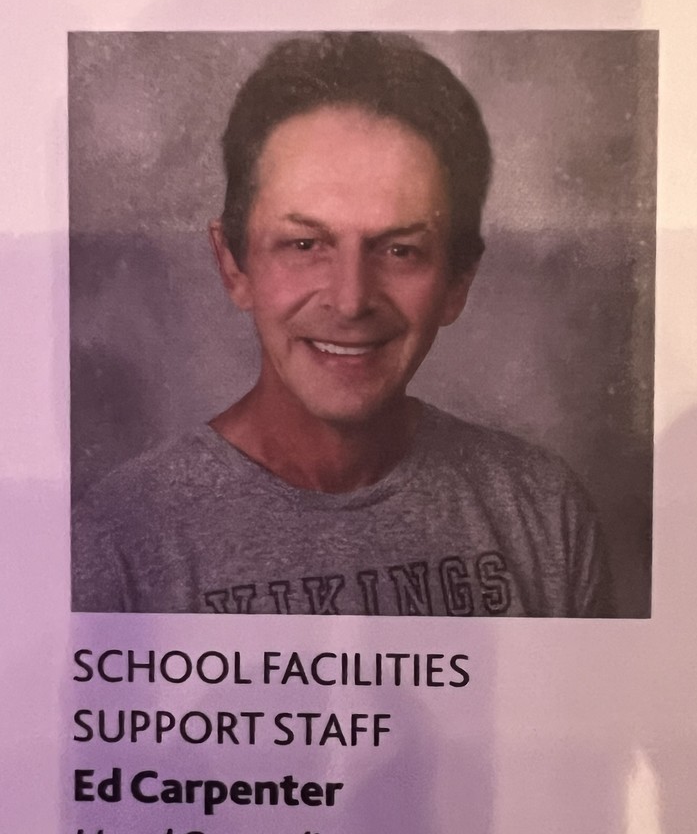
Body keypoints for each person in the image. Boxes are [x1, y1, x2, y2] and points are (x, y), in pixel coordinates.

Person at [72, 32, 613, 616]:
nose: (351, 300)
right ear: (233, 264)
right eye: (305, 244)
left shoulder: (542, 515)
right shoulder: (119, 540)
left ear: (458, 283)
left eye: (400, 250)